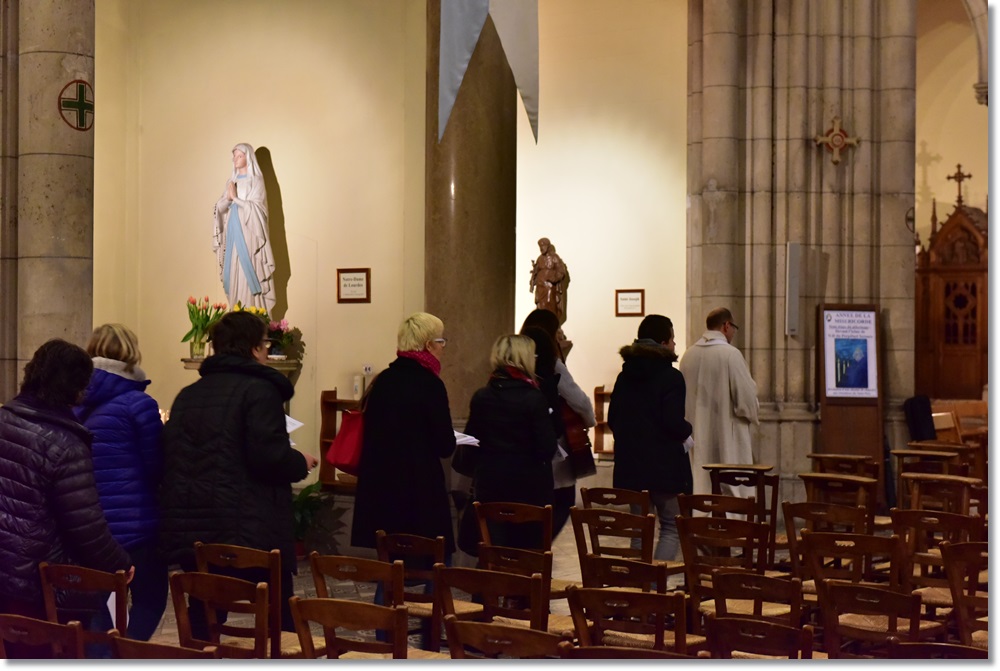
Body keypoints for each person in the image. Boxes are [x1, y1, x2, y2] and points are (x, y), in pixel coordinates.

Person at [159, 310, 318, 637]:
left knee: (204, 613)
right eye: (265, 344)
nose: (266, 350)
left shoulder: (189, 395)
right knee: (278, 620)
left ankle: (204, 655)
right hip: (248, 531)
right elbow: (268, 456)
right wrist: (299, 461)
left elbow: (173, 456)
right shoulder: (260, 391)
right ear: (254, 348)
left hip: (195, 531)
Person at [0, 339, 133, 658]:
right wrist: (120, 564)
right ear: (77, 389)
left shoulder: (4, 419)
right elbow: (85, 526)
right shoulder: (66, 444)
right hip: (38, 584)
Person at [74, 324, 166, 642]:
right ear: (131, 352)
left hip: (90, 524)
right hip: (136, 525)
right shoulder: (138, 403)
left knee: (99, 605)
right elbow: (156, 466)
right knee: (151, 599)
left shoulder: (76, 400)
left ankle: (103, 654)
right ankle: (124, 654)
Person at [351, 312, 457, 553]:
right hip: (419, 490)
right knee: (431, 561)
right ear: (428, 345)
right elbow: (445, 445)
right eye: (441, 341)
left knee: (390, 563)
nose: (443, 347)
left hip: (382, 488)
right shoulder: (430, 384)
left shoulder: (383, 381)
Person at [608, 315, 693, 563]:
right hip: (664, 467)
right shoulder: (671, 377)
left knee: (639, 529)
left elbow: (613, 419)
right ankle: (655, 583)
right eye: (673, 339)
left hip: (631, 466)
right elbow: (672, 422)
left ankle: (638, 581)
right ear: (664, 342)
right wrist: (687, 430)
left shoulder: (625, 376)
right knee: (671, 527)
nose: (675, 344)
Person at [462, 334, 559, 551]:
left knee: (494, 551)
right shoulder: (534, 398)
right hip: (529, 491)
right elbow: (546, 448)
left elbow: (471, 444)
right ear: (525, 359)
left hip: (491, 488)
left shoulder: (482, 396)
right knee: (526, 555)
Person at [520, 308, 596, 537]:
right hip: (555, 450)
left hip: (524, 455)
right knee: (560, 505)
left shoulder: (516, 366)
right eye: (558, 330)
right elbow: (579, 401)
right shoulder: (552, 365)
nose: (562, 335)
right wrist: (589, 420)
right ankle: (538, 553)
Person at [679, 307, 759, 497]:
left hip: (695, 435)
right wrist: (753, 409)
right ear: (726, 326)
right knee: (730, 492)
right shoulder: (731, 355)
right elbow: (747, 402)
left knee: (701, 487)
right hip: (727, 438)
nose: (733, 333)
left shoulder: (688, 356)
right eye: (734, 328)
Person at [213, 142, 275, 312]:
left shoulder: (256, 181)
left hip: (249, 235)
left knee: (248, 269)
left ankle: (253, 312)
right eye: (234, 156)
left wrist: (236, 199)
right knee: (232, 271)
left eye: (239, 156)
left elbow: (258, 209)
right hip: (232, 232)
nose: (235, 159)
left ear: (248, 158)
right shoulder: (231, 181)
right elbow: (220, 208)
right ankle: (236, 311)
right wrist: (228, 198)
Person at [529, 237, 570, 325]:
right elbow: (536, 272)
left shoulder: (554, 257)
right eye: (540, 247)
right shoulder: (539, 259)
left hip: (550, 289)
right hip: (540, 288)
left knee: (550, 307)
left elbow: (561, 271)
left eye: (543, 246)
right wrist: (533, 279)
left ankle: (552, 326)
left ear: (548, 246)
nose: (541, 248)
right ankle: (542, 326)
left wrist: (553, 277)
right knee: (541, 307)